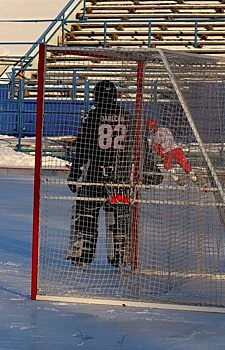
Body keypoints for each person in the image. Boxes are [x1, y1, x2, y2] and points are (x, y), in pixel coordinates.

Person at [66, 80, 162, 268]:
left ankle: (82, 254)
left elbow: (83, 148)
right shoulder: (127, 116)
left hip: (95, 175)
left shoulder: (92, 117)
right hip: (121, 177)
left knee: (86, 214)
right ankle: (120, 254)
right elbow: (140, 146)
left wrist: (75, 171)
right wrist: (149, 168)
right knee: (120, 216)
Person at [145, 118, 197, 183]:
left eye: (150, 128)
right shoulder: (152, 136)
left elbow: (170, 140)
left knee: (182, 162)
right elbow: (151, 146)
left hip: (174, 149)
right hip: (166, 153)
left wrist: (161, 146)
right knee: (167, 165)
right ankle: (177, 178)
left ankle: (194, 177)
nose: (150, 130)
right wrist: (154, 148)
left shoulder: (164, 130)